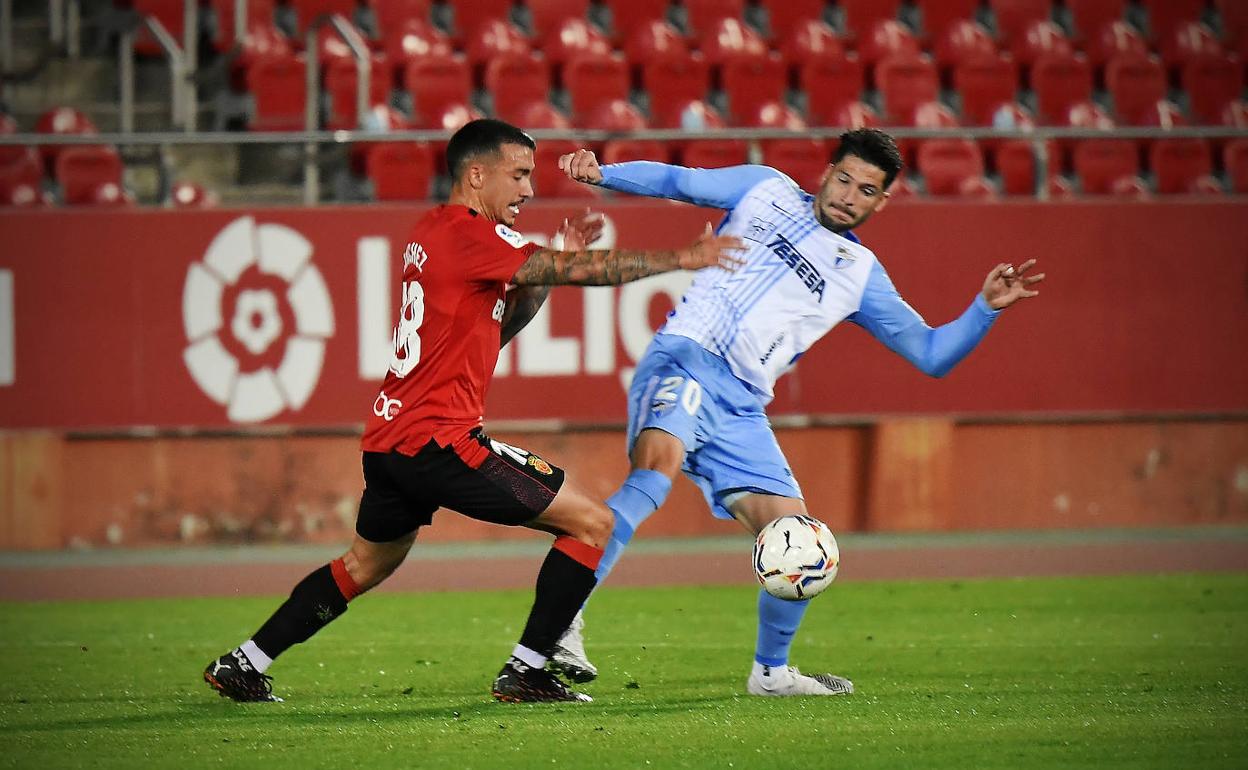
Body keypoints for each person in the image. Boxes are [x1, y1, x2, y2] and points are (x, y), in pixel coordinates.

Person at [202, 119, 744, 704]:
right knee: (592, 524)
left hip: (390, 441)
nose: (529, 190)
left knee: (363, 565)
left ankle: (245, 662)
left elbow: (499, 328)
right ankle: (528, 669)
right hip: (439, 440)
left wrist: (542, 277)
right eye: (519, 175)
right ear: (477, 174)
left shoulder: (433, 230)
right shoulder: (470, 235)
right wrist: (685, 256)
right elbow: (579, 271)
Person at [549, 128, 1045, 696]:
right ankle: (564, 619)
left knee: (800, 539)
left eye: (865, 190)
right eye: (843, 179)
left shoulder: (859, 275)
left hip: (741, 407)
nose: (848, 196)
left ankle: (771, 673)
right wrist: (602, 174)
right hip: (686, 357)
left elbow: (931, 355)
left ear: (881, 202)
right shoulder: (765, 189)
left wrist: (984, 309)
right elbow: (680, 181)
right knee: (654, 475)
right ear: (826, 171)